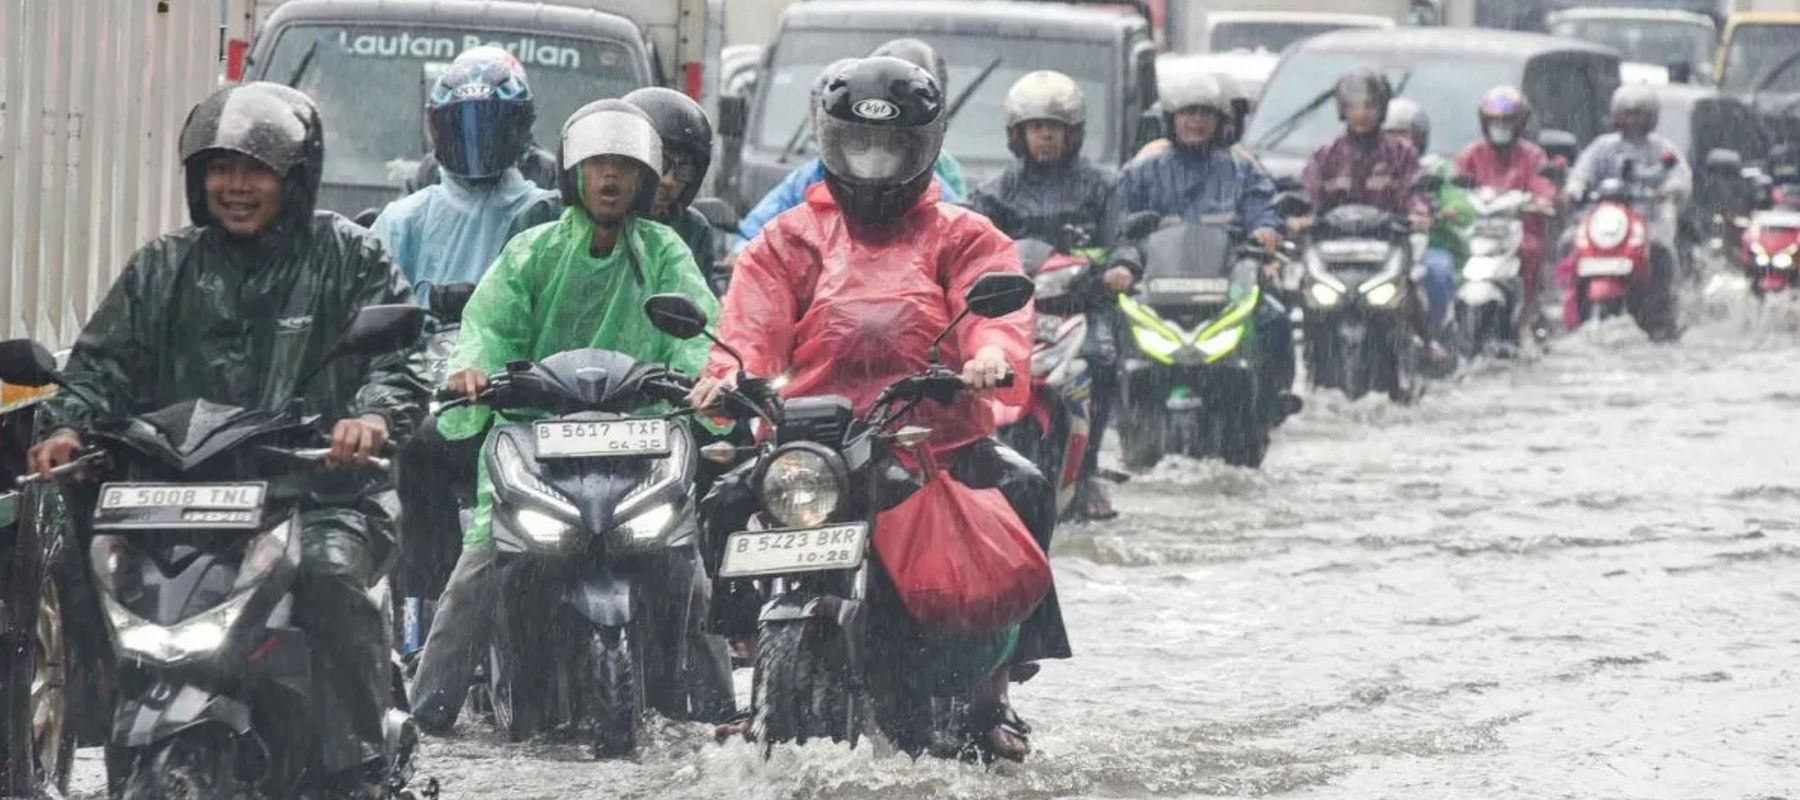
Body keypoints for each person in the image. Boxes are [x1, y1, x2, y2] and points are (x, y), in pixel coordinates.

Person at [24, 82, 429, 798]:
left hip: (316, 494)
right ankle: (89, 724)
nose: (235, 187)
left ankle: (358, 765)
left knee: (331, 577)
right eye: (220, 169)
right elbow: (100, 366)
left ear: (294, 178)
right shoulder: (162, 267)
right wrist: (67, 425)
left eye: (255, 170)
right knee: (90, 569)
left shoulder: (348, 257)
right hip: (171, 506)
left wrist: (370, 418)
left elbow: (400, 358)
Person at [690, 56, 1066, 762]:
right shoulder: (788, 238)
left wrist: (987, 357)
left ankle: (994, 692)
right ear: (831, 143)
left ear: (923, 147)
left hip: (935, 442)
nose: (873, 163)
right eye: (858, 145)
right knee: (722, 499)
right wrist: (729, 376)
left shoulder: (964, 233)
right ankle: (752, 665)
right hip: (813, 446)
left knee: (1026, 488)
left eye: (889, 147)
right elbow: (750, 328)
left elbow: (994, 308)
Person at [409, 99, 724, 733]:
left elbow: (699, 333)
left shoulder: (665, 252)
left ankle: (719, 714)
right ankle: (424, 718)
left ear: (643, 179)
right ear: (574, 173)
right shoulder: (533, 250)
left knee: (688, 572)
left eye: (624, 167)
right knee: (478, 570)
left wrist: (707, 381)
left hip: (639, 442)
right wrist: (472, 372)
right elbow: (488, 326)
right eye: (598, 163)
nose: (610, 177)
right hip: (535, 438)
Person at [374, 47, 561, 615]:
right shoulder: (406, 218)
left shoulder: (545, 214)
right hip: (438, 387)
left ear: (521, 128)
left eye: (491, 125)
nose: (477, 142)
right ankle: (424, 603)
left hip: (521, 389)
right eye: (464, 126)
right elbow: (376, 308)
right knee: (417, 451)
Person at [969, 70, 1134, 520]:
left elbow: (1123, 237)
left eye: (1054, 127)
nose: (1045, 136)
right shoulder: (994, 192)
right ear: (1018, 133)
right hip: (1012, 313)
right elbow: (970, 245)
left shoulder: (1103, 186)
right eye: (1037, 127)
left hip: (1083, 306)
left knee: (1103, 359)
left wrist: (1121, 267)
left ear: (1072, 133)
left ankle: (1090, 468)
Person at [1119, 66, 1298, 427]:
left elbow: (1262, 208)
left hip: (1226, 285)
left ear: (1220, 121)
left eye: (1205, 114)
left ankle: (1272, 399)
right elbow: (1118, 216)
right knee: (1111, 322)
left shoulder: (1240, 170)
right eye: (1188, 113)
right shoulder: (1143, 170)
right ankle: (1114, 405)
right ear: (1171, 119)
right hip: (1157, 286)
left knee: (1274, 318)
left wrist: (1266, 230)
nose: (1196, 122)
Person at [729, 39, 967, 255]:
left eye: (889, 142)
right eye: (858, 141)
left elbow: (965, 245)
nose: (874, 156)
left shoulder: (936, 193)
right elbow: (753, 238)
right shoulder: (803, 188)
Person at [1559, 84, 1689, 338]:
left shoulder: (1662, 149)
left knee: (1660, 250)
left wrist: (1669, 190)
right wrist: (1573, 191)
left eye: (1639, 114)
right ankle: (1564, 300)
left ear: (1651, 117)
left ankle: (1662, 313)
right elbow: (1580, 174)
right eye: (1627, 113)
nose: (1633, 120)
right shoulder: (1602, 147)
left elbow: (1679, 176)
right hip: (1602, 222)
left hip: (1645, 220)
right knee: (1567, 242)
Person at [1452, 86, 1557, 339]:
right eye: (1495, 121)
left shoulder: (1532, 156)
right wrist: (1451, 206)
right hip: (1477, 232)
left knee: (1531, 251)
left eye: (1507, 121)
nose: (1500, 127)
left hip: (1518, 232)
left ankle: (1527, 315)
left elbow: (1543, 185)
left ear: (1519, 124)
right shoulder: (1472, 154)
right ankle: (1448, 323)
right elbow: (1454, 184)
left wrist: (1541, 200)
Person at [1384, 97, 1471, 361]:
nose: (1396, 141)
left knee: (1438, 272)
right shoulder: (1373, 168)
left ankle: (1431, 336)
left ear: (1419, 138)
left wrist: (1442, 213)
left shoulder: (1435, 169)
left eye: (1403, 134)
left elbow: (1463, 206)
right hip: (1381, 248)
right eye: (1389, 134)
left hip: (1427, 247)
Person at [624, 86, 725, 293]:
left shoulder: (693, 229)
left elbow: (699, 304)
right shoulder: (568, 216)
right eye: (660, 162)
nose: (668, 181)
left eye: (684, 170)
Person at [1301, 68, 1429, 223]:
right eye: (1353, 106)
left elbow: (1415, 194)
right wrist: (1301, 218)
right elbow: (1309, 198)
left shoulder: (1402, 154)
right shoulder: (1324, 156)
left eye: (1369, 106)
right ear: (1342, 109)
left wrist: (1418, 214)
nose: (1361, 113)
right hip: (1332, 237)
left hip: (1389, 236)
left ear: (1382, 109)